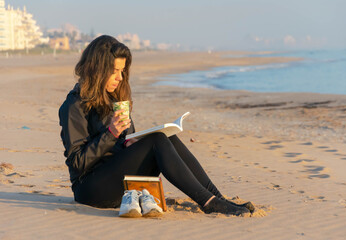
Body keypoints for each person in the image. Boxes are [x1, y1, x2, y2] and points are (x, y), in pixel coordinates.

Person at [59, 35, 254, 217]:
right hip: (90, 189)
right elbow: (77, 163)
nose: (119, 78)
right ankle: (209, 203)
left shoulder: (112, 99)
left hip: (118, 178)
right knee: (157, 141)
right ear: (97, 70)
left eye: (122, 71)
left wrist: (129, 142)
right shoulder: (73, 106)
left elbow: (120, 147)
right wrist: (110, 134)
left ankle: (217, 198)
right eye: (114, 71)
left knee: (167, 137)